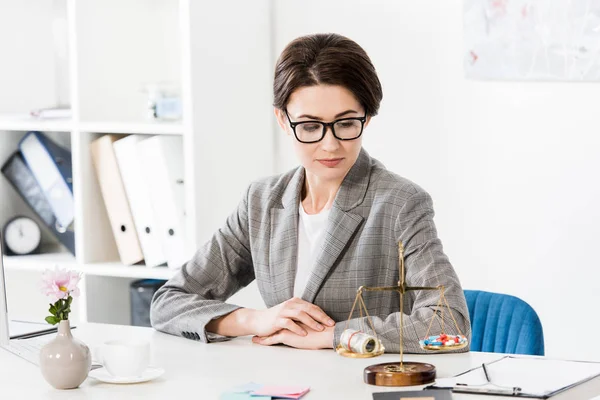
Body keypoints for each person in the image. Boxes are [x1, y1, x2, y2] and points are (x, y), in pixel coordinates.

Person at [150, 33, 471, 353]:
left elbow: (449, 325)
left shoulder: (400, 203)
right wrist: (255, 320)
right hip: (281, 383)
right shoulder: (261, 201)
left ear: (367, 117)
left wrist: (335, 336)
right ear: (282, 119)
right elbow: (169, 302)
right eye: (309, 126)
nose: (329, 145)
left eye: (346, 124)